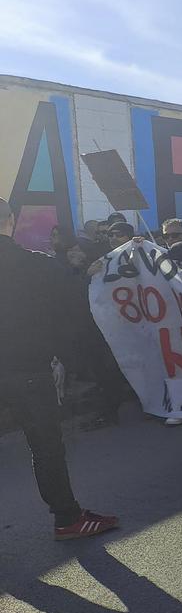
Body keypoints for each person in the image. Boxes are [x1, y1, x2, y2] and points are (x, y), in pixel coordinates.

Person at [0, 199, 119, 539]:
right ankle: (67, 518)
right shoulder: (37, 266)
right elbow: (72, 306)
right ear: (10, 221)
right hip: (28, 370)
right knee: (46, 447)